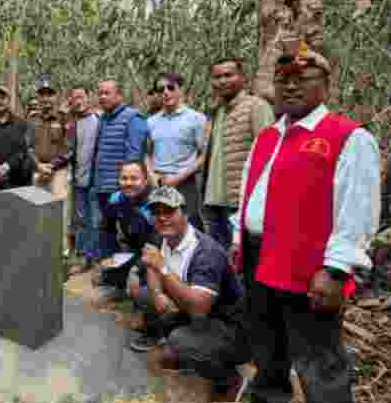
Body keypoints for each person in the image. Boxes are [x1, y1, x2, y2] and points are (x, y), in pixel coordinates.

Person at [230, 43, 380, 403]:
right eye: (283, 81)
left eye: (302, 79)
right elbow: (250, 192)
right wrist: (238, 240)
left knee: (318, 357)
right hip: (258, 258)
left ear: (325, 86)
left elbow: (357, 209)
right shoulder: (268, 136)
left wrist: (336, 270)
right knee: (267, 347)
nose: (291, 87)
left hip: (308, 269)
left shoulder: (347, 137)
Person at [129, 186, 250, 401]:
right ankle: (186, 348)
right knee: (144, 295)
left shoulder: (206, 252)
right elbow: (150, 264)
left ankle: (229, 379)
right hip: (193, 313)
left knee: (180, 342)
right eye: (157, 213)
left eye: (169, 211)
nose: (162, 218)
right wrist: (158, 294)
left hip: (229, 327)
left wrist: (163, 268)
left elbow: (199, 307)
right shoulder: (161, 236)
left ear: (185, 214)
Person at [201, 58, 274, 249]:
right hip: (212, 200)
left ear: (242, 77)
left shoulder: (256, 106)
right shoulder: (215, 112)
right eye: (217, 77)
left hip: (238, 201)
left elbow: (269, 155)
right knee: (219, 258)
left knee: (242, 260)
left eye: (228, 75)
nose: (222, 81)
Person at [92, 79, 148, 262]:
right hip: (102, 185)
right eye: (100, 93)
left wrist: (126, 184)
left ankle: (131, 272)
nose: (102, 97)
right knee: (106, 228)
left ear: (119, 95)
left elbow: (135, 154)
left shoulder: (133, 118)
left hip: (122, 187)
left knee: (127, 232)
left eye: (107, 93)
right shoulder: (102, 119)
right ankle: (110, 269)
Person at [146, 73, 207, 231]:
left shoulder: (196, 119)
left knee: (189, 228)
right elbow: (146, 153)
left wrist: (178, 177)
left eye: (171, 87)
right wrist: (152, 176)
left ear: (181, 90)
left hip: (185, 183)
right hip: (158, 183)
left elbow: (203, 155)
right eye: (160, 89)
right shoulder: (151, 121)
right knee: (161, 228)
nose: (166, 92)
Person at [53, 86, 100, 272]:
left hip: (96, 179)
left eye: (81, 96)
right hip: (79, 179)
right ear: (70, 101)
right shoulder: (72, 123)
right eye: (74, 98)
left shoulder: (98, 120)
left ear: (88, 98)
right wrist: (54, 165)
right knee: (81, 219)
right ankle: (82, 258)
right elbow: (68, 150)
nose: (78, 100)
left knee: (96, 220)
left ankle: (95, 257)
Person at [97, 160, 154, 295]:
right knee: (107, 272)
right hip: (134, 249)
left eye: (134, 179)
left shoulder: (155, 203)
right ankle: (121, 284)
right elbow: (106, 229)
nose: (128, 183)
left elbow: (159, 244)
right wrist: (106, 256)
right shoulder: (115, 199)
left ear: (145, 181)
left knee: (143, 294)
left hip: (157, 255)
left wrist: (137, 268)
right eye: (124, 178)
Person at [0, 85, 34, 192]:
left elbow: (23, 150)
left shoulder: (21, 124)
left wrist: (7, 166)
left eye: (2, 98)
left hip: (17, 181)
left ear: (8, 100)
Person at [29, 77, 68, 200]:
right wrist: (38, 165)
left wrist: (52, 166)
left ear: (55, 97)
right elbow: (26, 146)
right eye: (42, 95)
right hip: (37, 170)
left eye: (49, 95)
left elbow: (70, 148)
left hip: (58, 171)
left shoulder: (63, 118)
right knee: (36, 207)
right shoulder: (31, 119)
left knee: (57, 208)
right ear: (38, 97)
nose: (46, 98)